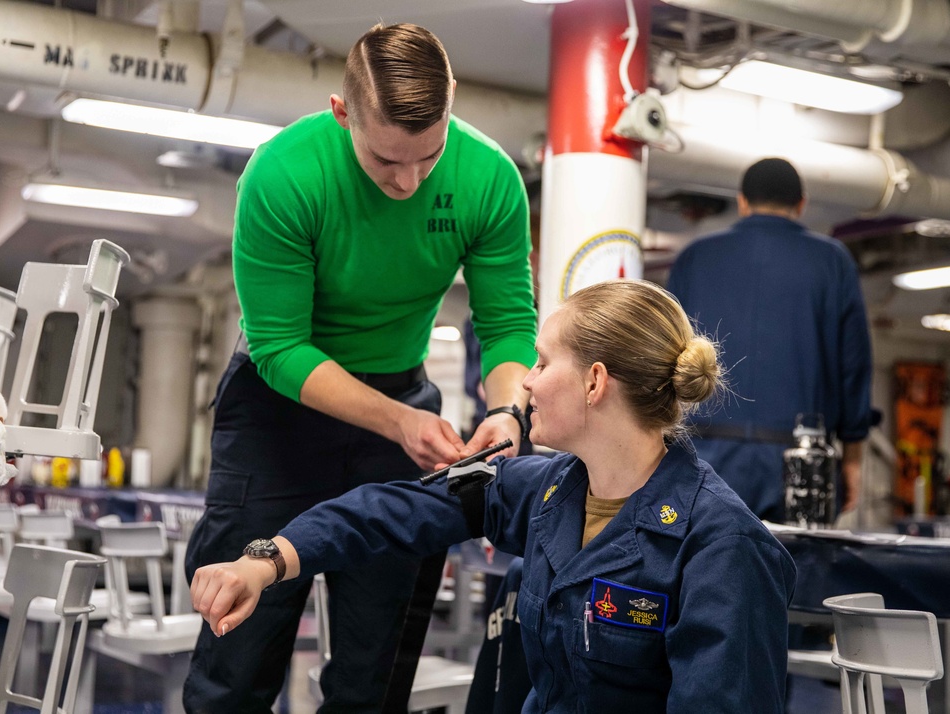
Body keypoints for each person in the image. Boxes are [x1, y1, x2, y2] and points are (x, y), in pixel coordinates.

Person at [190, 279, 798, 713]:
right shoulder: (547, 490)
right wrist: (267, 560)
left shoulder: (722, 548)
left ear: (594, 383)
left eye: (541, 360)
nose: (525, 382)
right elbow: (395, 509)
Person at [182, 23, 537, 713]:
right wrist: (402, 421)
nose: (407, 182)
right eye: (385, 161)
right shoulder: (284, 173)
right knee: (239, 652)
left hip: (400, 402)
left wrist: (506, 409)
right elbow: (280, 348)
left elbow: (506, 326)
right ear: (343, 113)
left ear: (452, 100)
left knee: (374, 673)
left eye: (427, 158)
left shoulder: (490, 179)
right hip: (276, 415)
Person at [666, 157, 873, 522]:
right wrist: (853, 457)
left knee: (699, 570)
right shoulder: (832, 261)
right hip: (800, 460)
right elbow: (853, 365)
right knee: (797, 574)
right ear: (802, 204)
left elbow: (663, 354)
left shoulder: (694, 258)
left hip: (703, 452)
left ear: (742, 202)